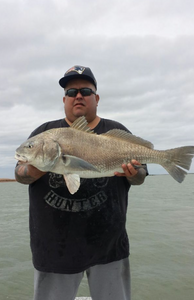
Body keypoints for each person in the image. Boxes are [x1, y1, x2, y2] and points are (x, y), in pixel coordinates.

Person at [15, 65, 147, 300]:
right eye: (70, 92)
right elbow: (19, 172)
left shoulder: (116, 131)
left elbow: (140, 175)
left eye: (85, 91)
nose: (78, 96)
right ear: (64, 99)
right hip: (54, 249)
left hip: (110, 247)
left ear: (96, 98)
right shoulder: (45, 132)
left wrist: (132, 173)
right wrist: (36, 166)